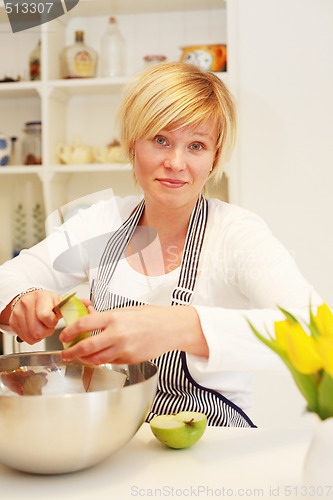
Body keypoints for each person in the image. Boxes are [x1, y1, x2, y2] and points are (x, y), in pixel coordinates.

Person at [0, 62, 322, 427]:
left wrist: (181, 327)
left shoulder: (236, 233)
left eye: (196, 146)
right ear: (132, 144)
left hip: (211, 443)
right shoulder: (101, 220)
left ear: (214, 158)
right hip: (111, 437)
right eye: (160, 140)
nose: (175, 162)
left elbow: (317, 333)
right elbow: (8, 278)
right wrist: (21, 300)